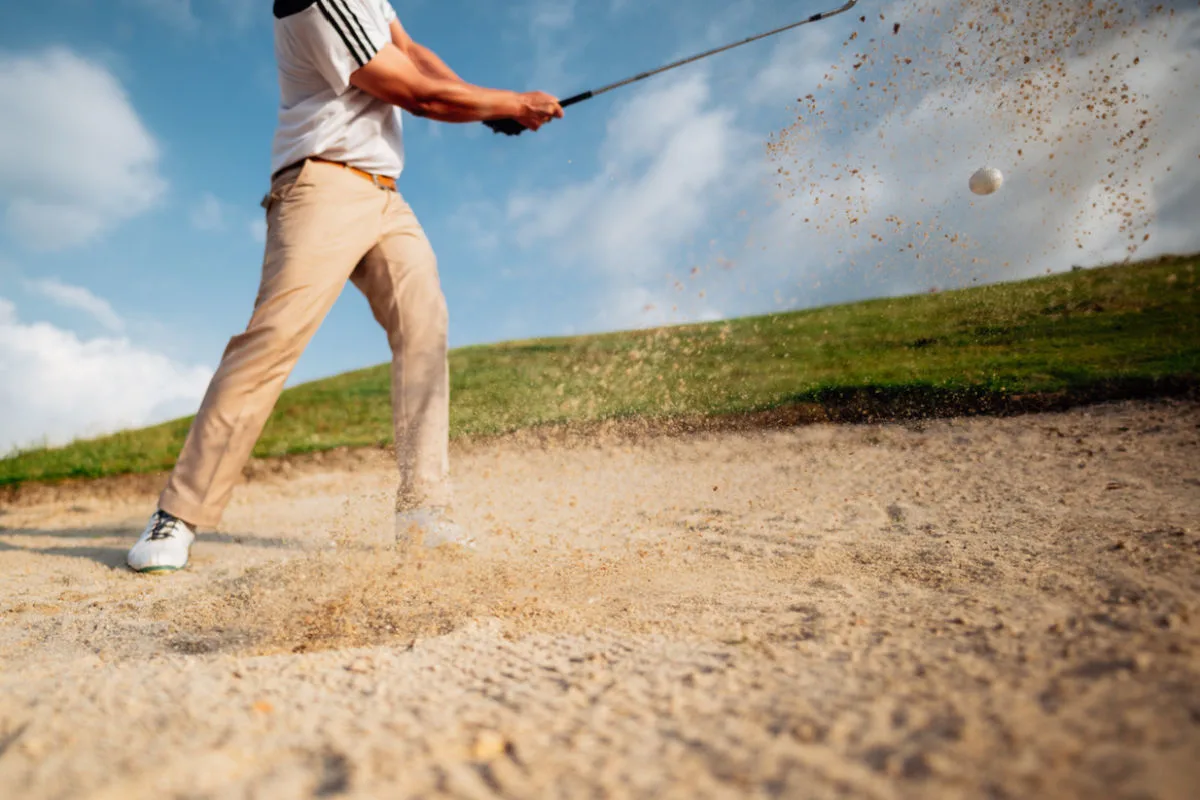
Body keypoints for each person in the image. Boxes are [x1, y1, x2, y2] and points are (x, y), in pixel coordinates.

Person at [126, 0, 564, 573]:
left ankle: (423, 511)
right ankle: (177, 515)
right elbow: (414, 93)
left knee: (424, 327)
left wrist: (483, 107)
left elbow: (410, 52)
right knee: (273, 340)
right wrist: (507, 103)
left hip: (386, 194)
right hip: (321, 184)